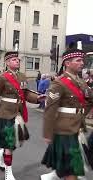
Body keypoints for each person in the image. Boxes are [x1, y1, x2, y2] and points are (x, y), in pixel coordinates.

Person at [0, 51, 44, 180]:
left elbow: (26, 94)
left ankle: (0, 154)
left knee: (18, 140)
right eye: (13, 60)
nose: (17, 61)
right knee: (9, 143)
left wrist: (38, 98)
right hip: (6, 114)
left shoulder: (22, 76)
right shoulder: (2, 78)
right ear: (7, 62)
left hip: (18, 113)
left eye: (18, 60)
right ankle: (8, 172)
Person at [40, 48, 93, 180]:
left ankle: (55, 175)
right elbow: (50, 110)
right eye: (78, 60)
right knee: (72, 170)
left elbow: (89, 99)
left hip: (77, 128)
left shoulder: (81, 82)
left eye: (82, 60)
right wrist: (47, 134)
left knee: (71, 166)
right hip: (64, 130)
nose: (82, 63)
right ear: (67, 63)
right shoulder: (59, 83)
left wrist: (81, 113)